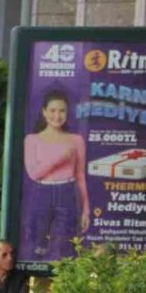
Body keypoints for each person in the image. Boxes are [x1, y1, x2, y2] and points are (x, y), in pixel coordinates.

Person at [23, 88, 89, 260]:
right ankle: (34, 285)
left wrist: (86, 211)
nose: (57, 116)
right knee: (37, 246)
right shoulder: (32, 140)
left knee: (67, 248)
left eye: (62, 111)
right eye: (52, 110)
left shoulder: (76, 140)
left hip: (68, 192)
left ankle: (63, 286)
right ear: (44, 112)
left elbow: (81, 176)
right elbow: (34, 173)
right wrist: (60, 158)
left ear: (67, 113)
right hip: (41, 193)